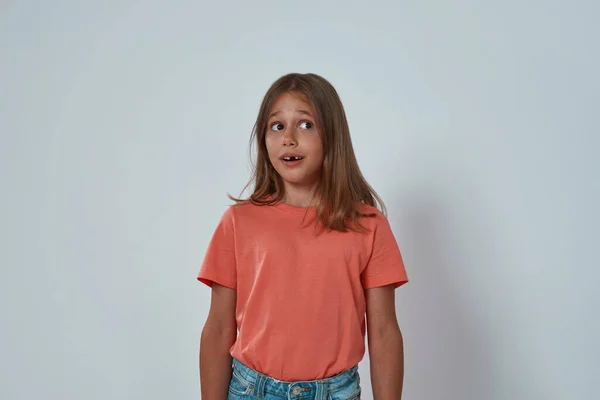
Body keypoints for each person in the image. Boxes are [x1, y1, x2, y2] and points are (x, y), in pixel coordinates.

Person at [197, 73, 408, 400]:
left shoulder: (368, 224)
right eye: (277, 126)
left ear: (333, 136)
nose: (289, 139)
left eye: (306, 124)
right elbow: (218, 329)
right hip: (251, 390)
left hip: (336, 392)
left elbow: (383, 332)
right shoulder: (238, 222)